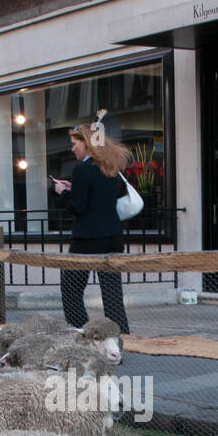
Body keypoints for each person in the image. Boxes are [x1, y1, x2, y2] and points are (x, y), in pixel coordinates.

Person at [51, 120, 132, 334]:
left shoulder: (82, 170)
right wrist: (74, 188)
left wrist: (62, 192)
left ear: (86, 143)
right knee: (113, 295)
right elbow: (98, 198)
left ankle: (83, 334)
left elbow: (77, 208)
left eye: (74, 143)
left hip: (86, 240)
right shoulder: (110, 167)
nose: (72, 148)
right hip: (113, 237)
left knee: (71, 289)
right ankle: (119, 340)